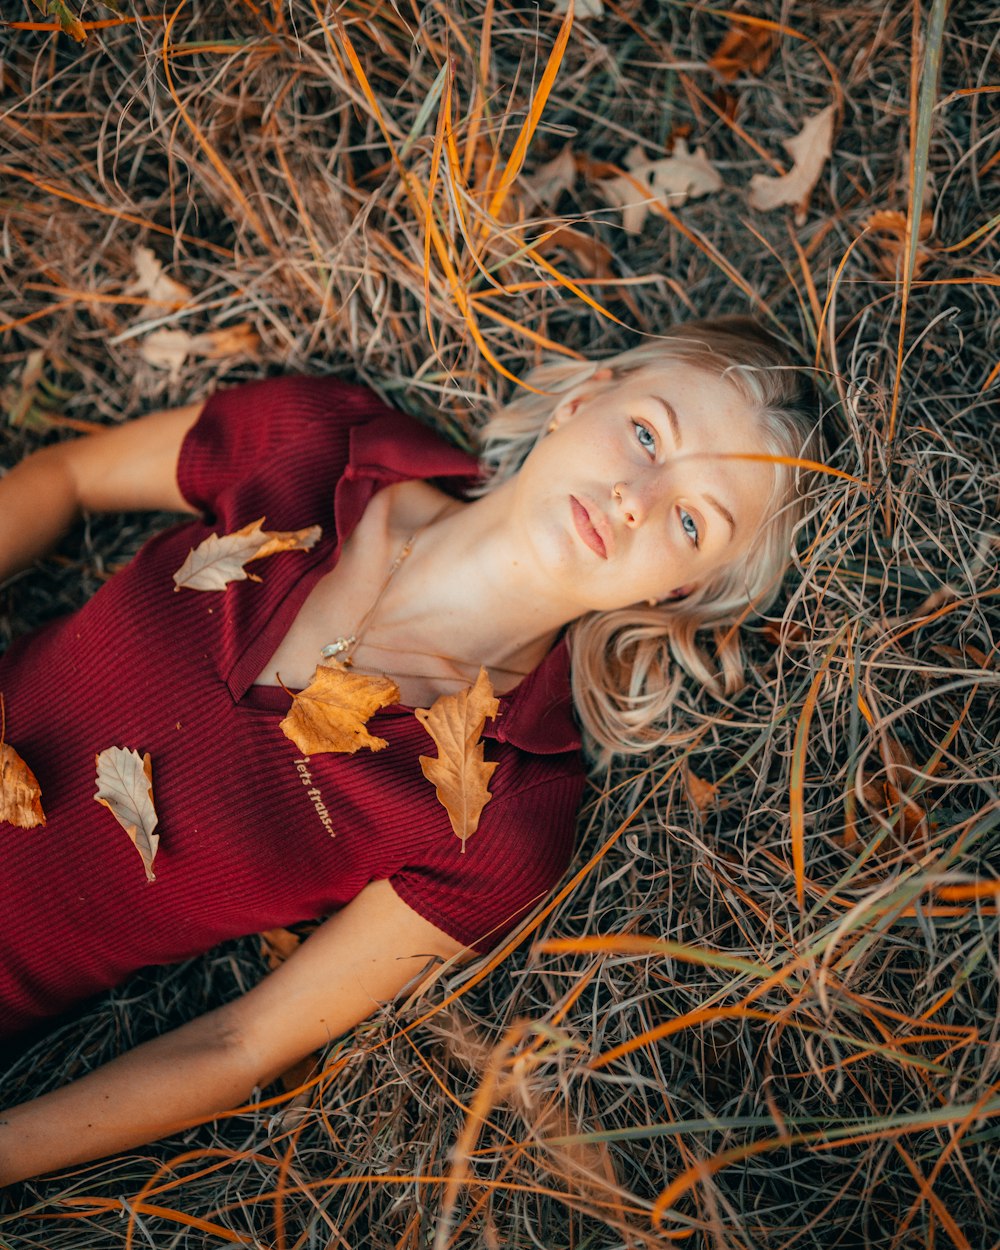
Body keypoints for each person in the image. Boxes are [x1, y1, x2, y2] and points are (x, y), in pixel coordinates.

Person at [0, 316, 817, 1185]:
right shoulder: (322, 443)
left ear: (681, 590)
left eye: (692, 523)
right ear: (582, 400)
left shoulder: (504, 816)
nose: (636, 498)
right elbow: (68, 477)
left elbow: (239, 1045)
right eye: (648, 434)